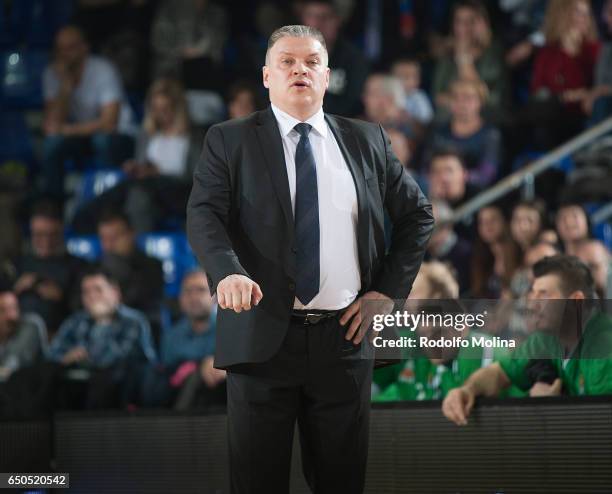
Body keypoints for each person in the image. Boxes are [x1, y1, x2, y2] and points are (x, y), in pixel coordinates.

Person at [186, 25, 433, 494]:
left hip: (344, 338)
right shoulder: (229, 139)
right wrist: (227, 272)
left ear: (327, 76)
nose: (300, 68)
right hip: (261, 335)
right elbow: (204, 216)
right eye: (287, 61)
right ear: (266, 76)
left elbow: (418, 214)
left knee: (342, 482)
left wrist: (388, 292)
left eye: (311, 62)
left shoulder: (367, 139)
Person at [442, 255, 612, 426]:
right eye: (533, 293)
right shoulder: (546, 338)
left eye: (543, 295)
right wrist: (466, 390)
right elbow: (499, 373)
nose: (532, 304)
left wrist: (557, 408)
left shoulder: (604, 348)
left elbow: (601, 429)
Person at [41, 25, 135, 200]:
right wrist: (65, 88)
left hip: (119, 136)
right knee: (51, 145)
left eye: (70, 48)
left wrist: (67, 130)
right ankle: (53, 207)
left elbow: (109, 123)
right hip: (84, 136)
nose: (64, 54)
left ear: (84, 47)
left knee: (102, 141)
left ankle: (108, 202)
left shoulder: (103, 69)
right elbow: (51, 126)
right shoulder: (52, 73)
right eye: (60, 49)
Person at [48, 265, 157, 409]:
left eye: (98, 290)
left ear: (115, 292)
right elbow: (51, 354)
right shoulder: (76, 320)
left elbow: (109, 360)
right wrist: (66, 357)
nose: (92, 296)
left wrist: (102, 323)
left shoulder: (133, 321)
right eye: (86, 292)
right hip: (80, 380)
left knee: (106, 377)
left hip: (123, 383)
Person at [145, 269, 226, 410]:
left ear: (215, 297)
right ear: (180, 298)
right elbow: (168, 375)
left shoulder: (229, 330)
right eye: (188, 291)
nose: (193, 297)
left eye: (201, 290)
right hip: (181, 394)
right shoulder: (171, 335)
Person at [13, 200, 87, 334]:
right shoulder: (17, 265)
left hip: (58, 333)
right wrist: (16, 291)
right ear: (31, 232)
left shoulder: (79, 267)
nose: (46, 242)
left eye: (53, 235)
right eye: (39, 235)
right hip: (14, 333)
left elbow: (84, 312)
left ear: (62, 231)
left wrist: (61, 298)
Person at [431, 0, 508, 120]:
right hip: (450, 119)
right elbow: (438, 96)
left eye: (470, 21)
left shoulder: (494, 51)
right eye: (459, 21)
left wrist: (463, 57)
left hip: (488, 118)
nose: (463, 27)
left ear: (482, 23)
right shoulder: (447, 54)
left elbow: (486, 98)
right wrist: (462, 103)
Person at [423, 78, 502, 188]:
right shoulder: (438, 132)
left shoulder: (490, 135)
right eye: (455, 97)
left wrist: (457, 178)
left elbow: (487, 175)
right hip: (438, 192)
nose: (461, 103)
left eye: (468, 98)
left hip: (475, 195)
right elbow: (424, 167)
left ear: (480, 102)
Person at [97, 211, 165, 338]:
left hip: (141, 329)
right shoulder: (96, 268)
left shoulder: (152, 266)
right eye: (104, 239)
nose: (109, 244)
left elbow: (135, 301)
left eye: (115, 237)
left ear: (131, 234)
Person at [299, 0, 369, 116]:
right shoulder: (289, 56)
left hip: (341, 126)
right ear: (302, 21)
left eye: (325, 17)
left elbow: (355, 101)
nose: (318, 23)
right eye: (312, 16)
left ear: (337, 21)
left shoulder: (354, 58)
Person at [0, 282, 46, 382]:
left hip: (30, 390)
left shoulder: (30, 326)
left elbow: (11, 366)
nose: (11, 316)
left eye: (14, 308)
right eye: (3, 310)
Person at [391, 58, 434, 125]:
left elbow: (426, 118)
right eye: (405, 77)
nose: (411, 82)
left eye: (415, 77)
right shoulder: (390, 96)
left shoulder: (419, 97)